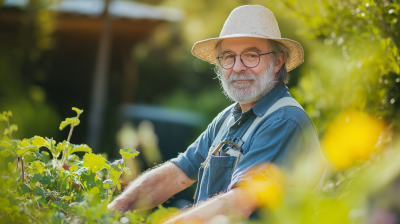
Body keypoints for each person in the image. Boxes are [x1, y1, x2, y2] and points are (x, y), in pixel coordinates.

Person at [108, 5, 327, 223]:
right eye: (229, 56)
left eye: (251, 55)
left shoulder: (284, 120)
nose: (238, 67)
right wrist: (116, 208)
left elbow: (240, 201)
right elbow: (178, 173)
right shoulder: (228, 118)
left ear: (278, 61)